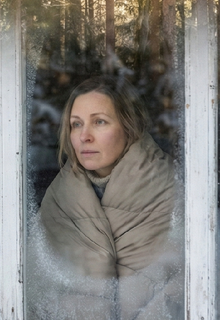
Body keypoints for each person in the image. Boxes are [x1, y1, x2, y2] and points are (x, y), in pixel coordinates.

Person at [32, 76, 181, 319]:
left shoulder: (173, 188)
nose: (84, 136)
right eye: (76, 124)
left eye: (99, 122)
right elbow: (36, 291)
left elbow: (187, 283)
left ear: (129, 126)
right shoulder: (57, 198)